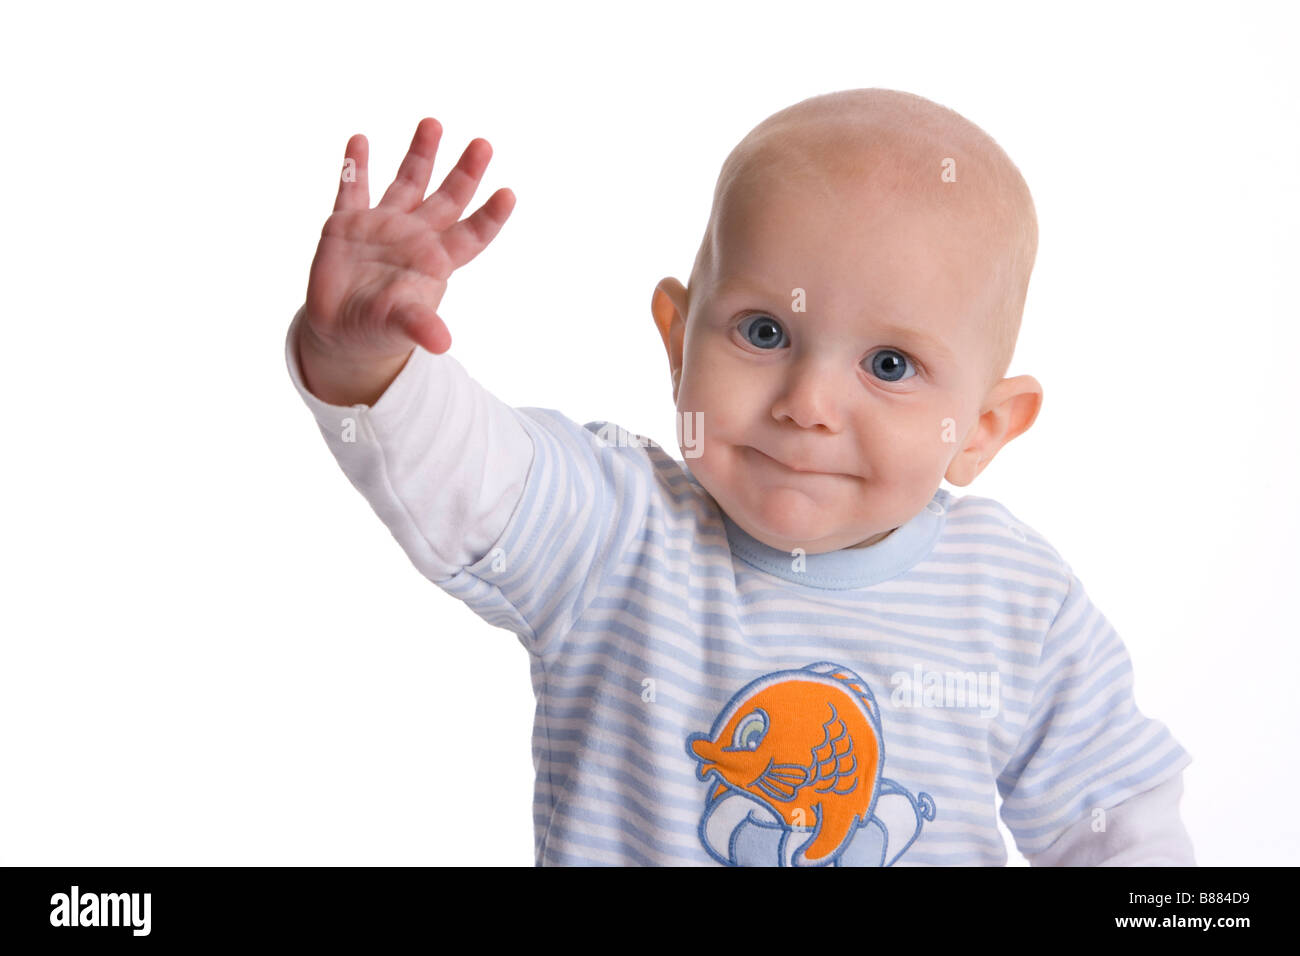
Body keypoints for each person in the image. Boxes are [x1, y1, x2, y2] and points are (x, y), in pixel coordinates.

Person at [284, 88, 1195, 866]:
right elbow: (471, 480)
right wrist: (366, 362)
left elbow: (1118, 827)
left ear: (983, 428)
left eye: (889, 365)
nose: (809, 403)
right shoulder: (616, 530)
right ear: (678, 343)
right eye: (764, 333)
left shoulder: (1015, 604)